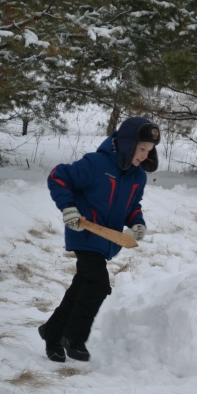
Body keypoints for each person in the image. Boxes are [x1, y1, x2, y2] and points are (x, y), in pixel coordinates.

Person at [38, 117, 160, 362]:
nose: (145, 155)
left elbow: (132, 205)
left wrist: (137, 222)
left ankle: (52, 332)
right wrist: (68, 207)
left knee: (83, 285)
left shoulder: (138, 177)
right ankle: (74, 338)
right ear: (128, 144)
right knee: (98, 283)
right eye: (142, 148)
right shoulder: (96, 164)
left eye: (149, 150)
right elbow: (59, 177)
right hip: (84, 232)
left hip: (107, 239)